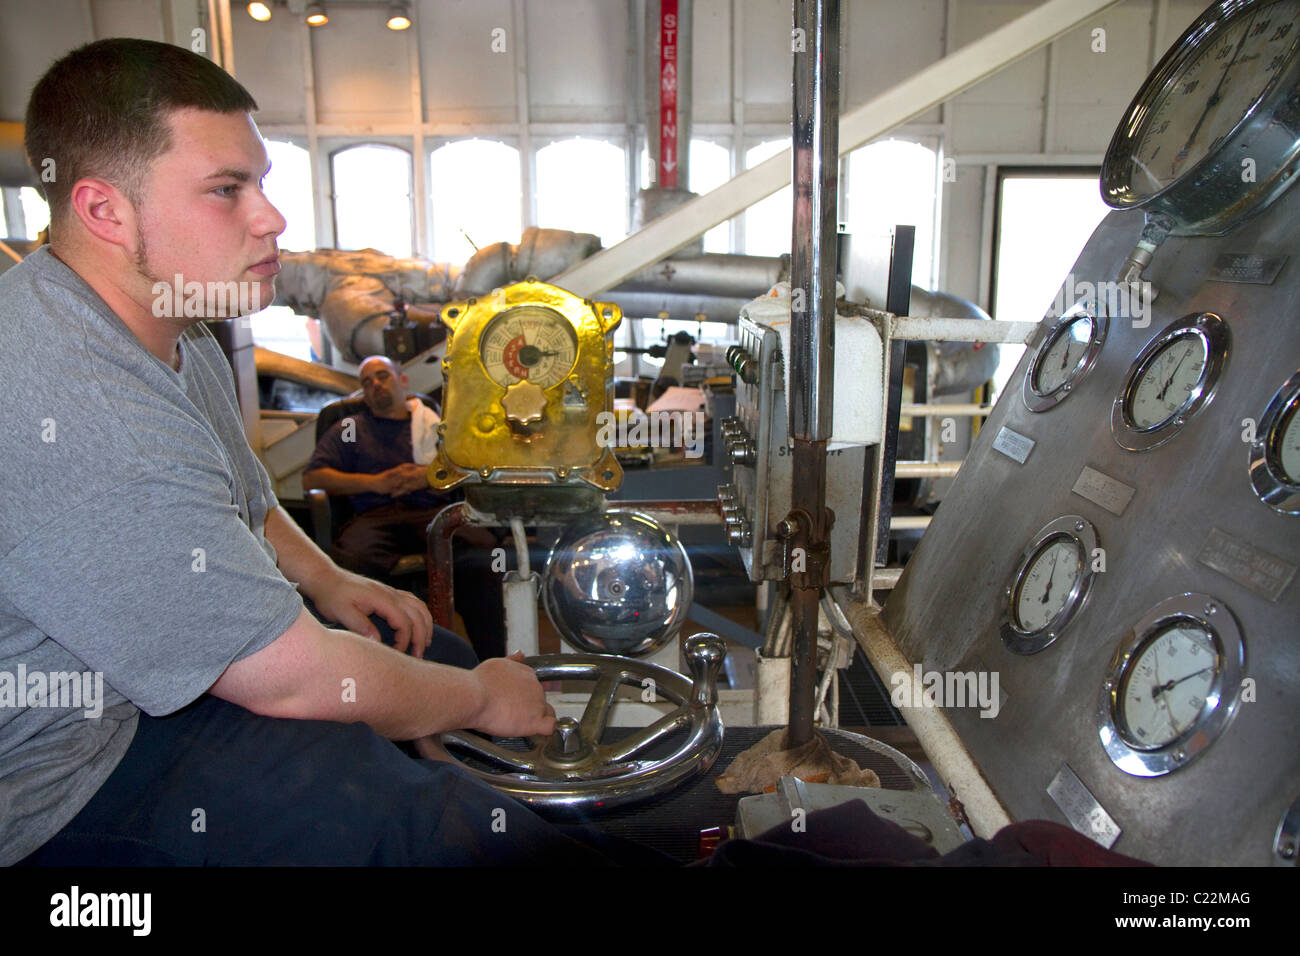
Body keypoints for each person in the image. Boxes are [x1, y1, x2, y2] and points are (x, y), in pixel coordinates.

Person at [0, 37, 641, 866]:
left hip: (157, 690)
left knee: (428, 650)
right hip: (71, 779)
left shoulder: (178, 327)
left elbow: (246, 498)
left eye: (260, 182)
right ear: (104, 211)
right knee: (405, 818)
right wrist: (480, 700)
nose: (271, 218)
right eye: (227, 190)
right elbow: (286, 677)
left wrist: (331, 580)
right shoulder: (75, 396)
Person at [302, 355, 506, 657]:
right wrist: (376, 482)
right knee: (352, 562)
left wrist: (427, 476)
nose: (375, 385)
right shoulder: (350, 427)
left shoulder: (434, 425)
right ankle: (373, 659)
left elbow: (471, 464)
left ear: (403, 380)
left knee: (483, 557)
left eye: (382, 376)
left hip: (431, 513)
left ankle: (492, 660)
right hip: (376, 517)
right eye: (366, 382)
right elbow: (312, 478)